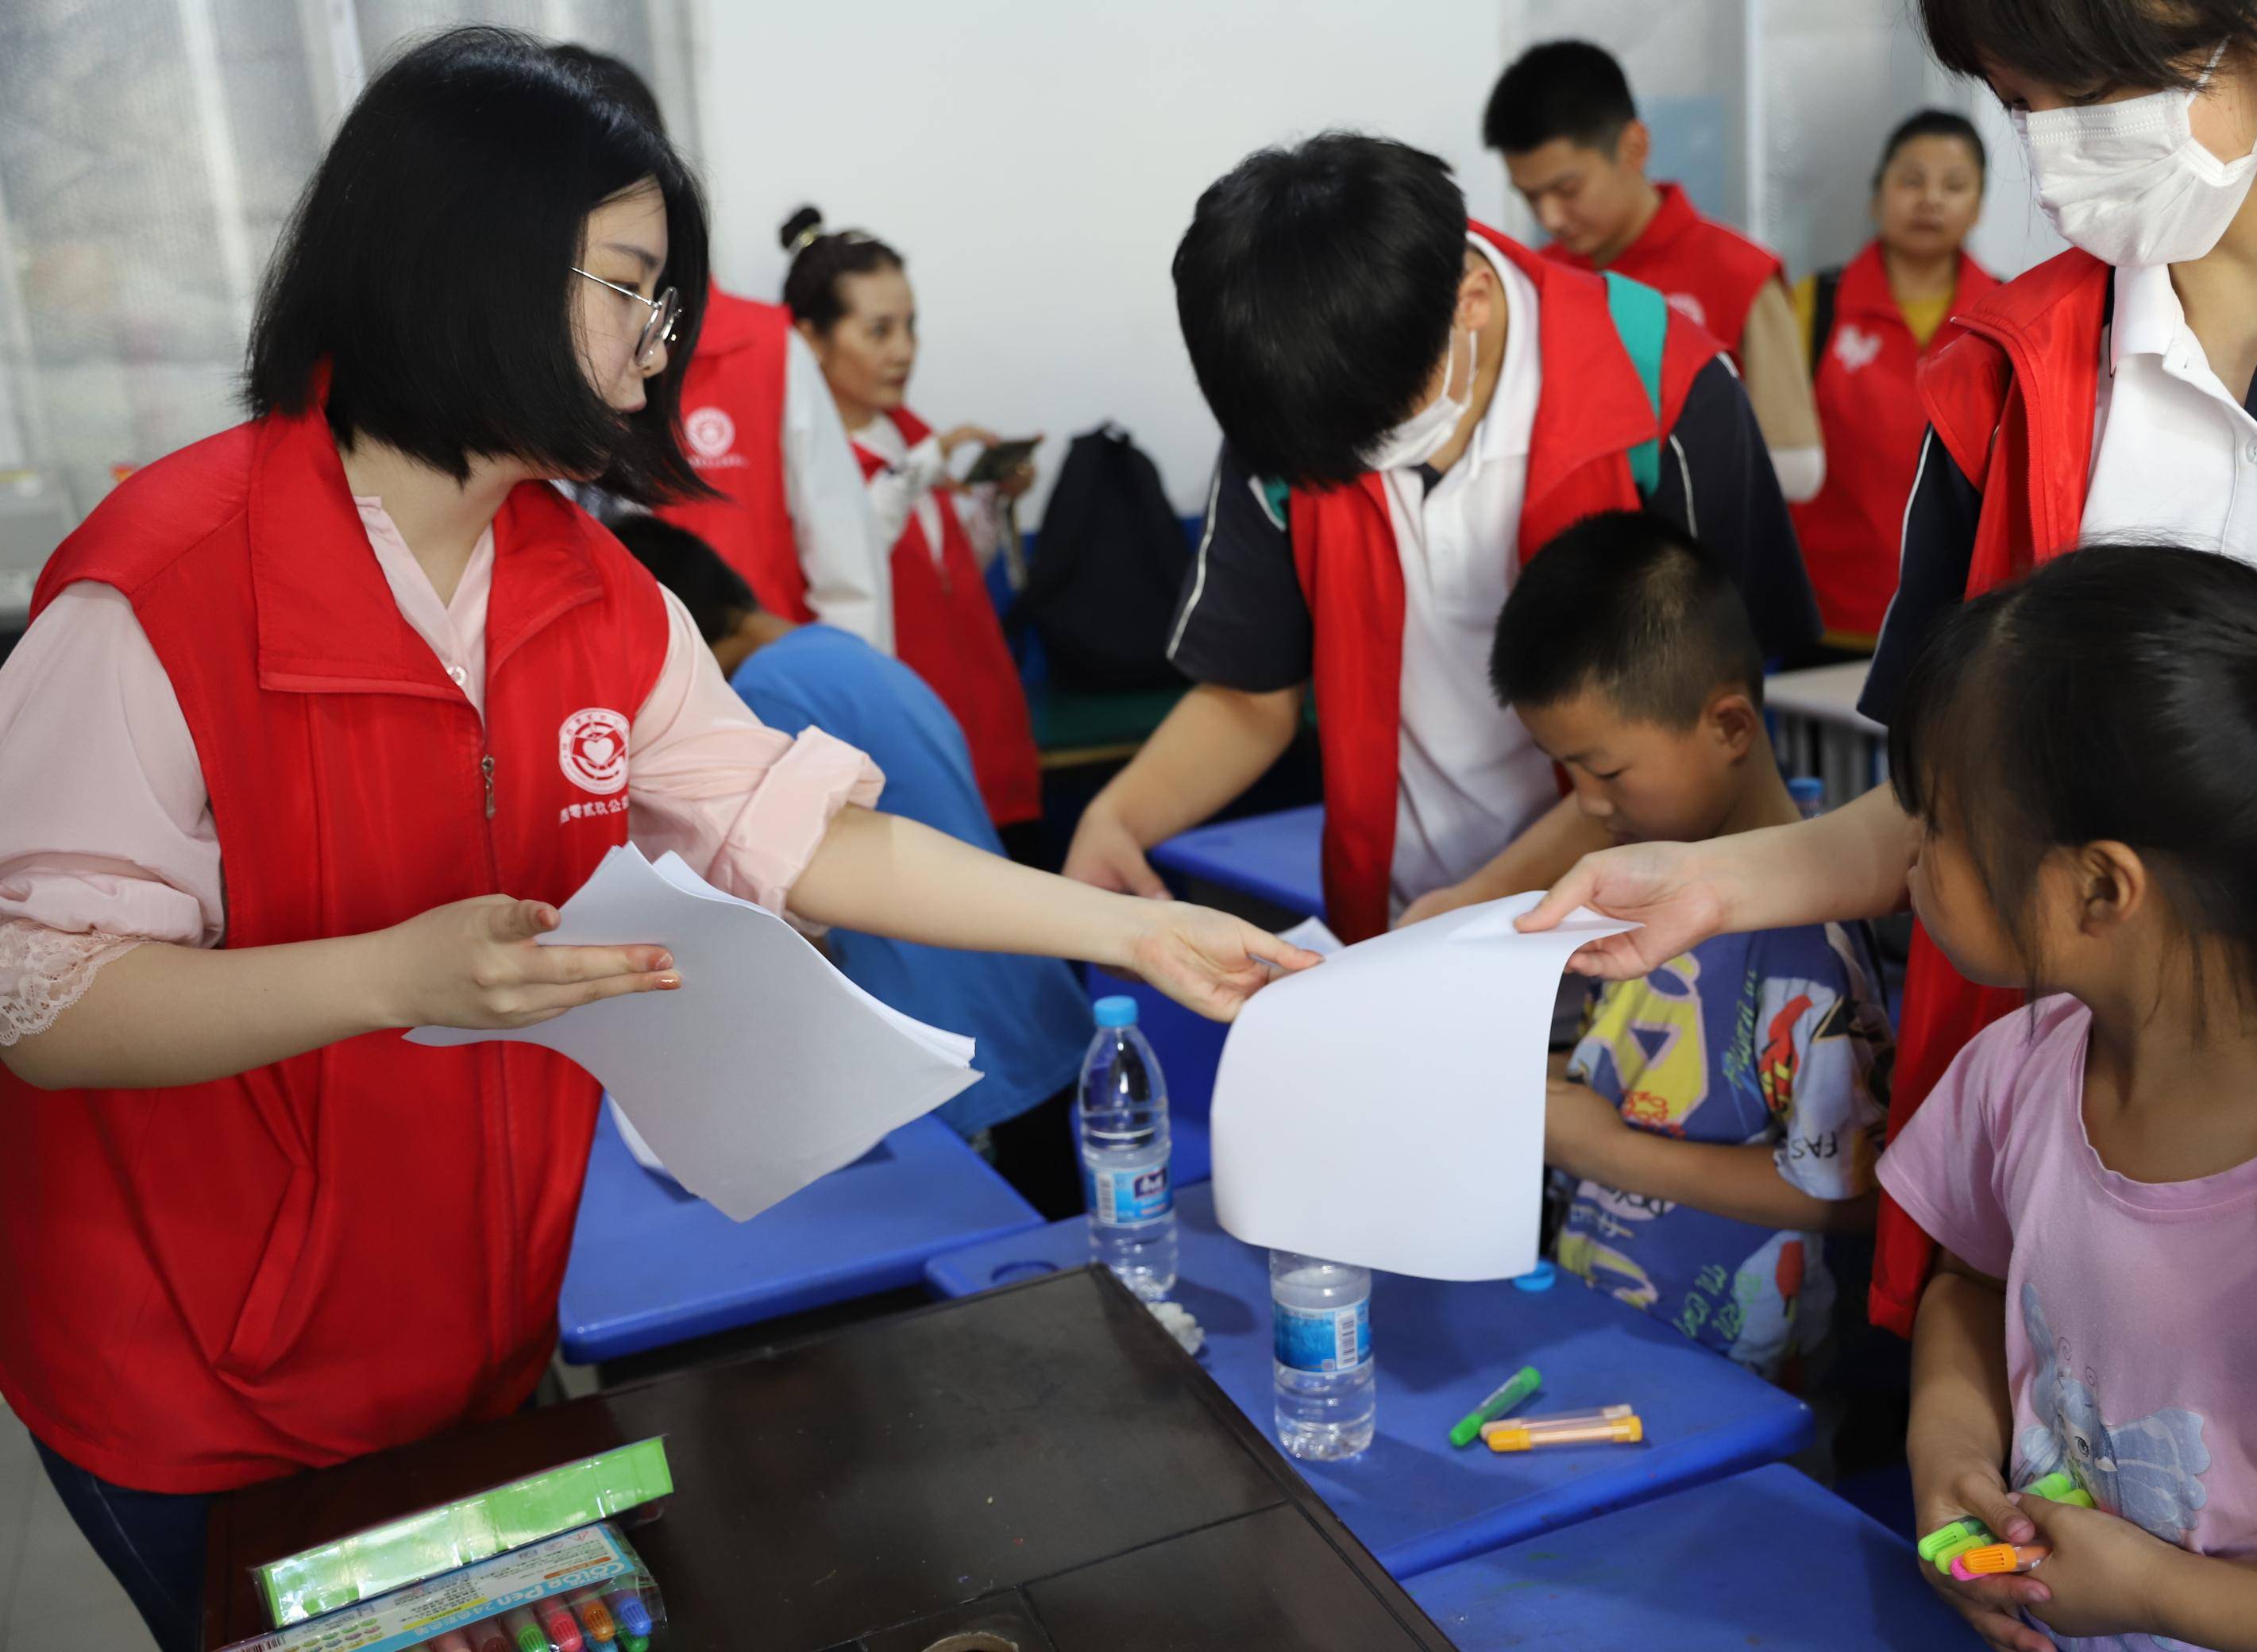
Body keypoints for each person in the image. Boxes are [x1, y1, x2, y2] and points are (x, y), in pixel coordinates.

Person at [0, 33, 1312, 1651]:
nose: (655, 347)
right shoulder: (158, 587)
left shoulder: (590, 587)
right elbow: (43, 1002)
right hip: (200, 1383)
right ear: (472, 263)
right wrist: (387, 973)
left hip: (468, 1331)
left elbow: (810, 842)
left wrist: (1128, 932)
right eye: (632, 286)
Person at [1518, 0, 2257, 1342]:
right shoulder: (2010, 376)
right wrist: (1709, 879)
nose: (2065, 150)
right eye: (2023, 103)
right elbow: (1951, 804)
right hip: (2072, 1251)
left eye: (2101, 86)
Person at [1877, 544, 2257, 1652]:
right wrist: (1948, 1446)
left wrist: (2159, 1595)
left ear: (2099, 888)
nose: (1906, 857)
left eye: (1940, 825)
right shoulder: (2023, 1071)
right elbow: (1969, 1279)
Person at [1062, 133, 1816, 944]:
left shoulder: (1661, 385)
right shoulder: (1290, 414)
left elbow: (1704, 727)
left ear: (1473, 302)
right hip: (1401, 918)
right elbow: (1251, 698)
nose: (1356, 463)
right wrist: (1119, 817)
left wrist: (1486, 901)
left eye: (1376, 429)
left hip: (1643, 922)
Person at [1492, 511, 1889, 1385]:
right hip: (1607, 1326)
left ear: (1731, 727)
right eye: (1567, 771)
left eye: (1607, 771)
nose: (1587, 803)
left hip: (1739, 1385)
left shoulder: (1805, 943)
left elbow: (1851, 1193)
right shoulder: (1639, 879)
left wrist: (1606, 1152)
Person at [612, 513, 1087, 1214]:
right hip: (1023, 1001)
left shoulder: (764, 698)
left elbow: (778, 917)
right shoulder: (841, 653)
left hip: (945, 1033)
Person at [546, 44, 887, 645]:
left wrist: (836, 705)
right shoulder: (515, 370)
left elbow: (849, 576)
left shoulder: (765, 349)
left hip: (761, 705)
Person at [774, 206, 1042, 839]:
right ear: (811, 339)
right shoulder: (808, 467)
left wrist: (990, 499)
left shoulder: (913, 436)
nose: (904, 352)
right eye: (879, 331)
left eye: (911, 328)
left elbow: (951, 572)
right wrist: (928, 466)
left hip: (984, 721)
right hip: (904, 741)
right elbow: (855, 557)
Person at [1484, 38, 1826, 501]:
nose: (1548, 219)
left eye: (1567, 189)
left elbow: (1796, 469)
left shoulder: (1737, 275)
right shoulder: (1537, 281)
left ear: (1633, 147)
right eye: (1529, 196)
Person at [1790, 110, 1997, 649]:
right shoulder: (1814, 305)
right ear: (1876, 197)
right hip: (1827, 619)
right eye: (1910, 180)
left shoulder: (2007, 316)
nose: (1930, 199)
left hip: (1964, 622)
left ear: (1977, 207)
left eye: (1953, 185)